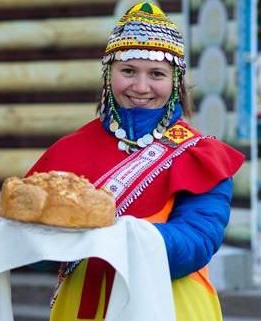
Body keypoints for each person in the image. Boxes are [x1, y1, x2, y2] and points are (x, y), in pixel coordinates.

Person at [26, 2, 245, 321]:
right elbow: (37, 255)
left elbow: (197, 241)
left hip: (171, 307)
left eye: (156, 74)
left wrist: (118, 237)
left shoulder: (200, 155)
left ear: (176, 82)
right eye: (128, 71)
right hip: (83, 308)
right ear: (108, 73)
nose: (141, 87)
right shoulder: (67, 151)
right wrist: (30, 237)